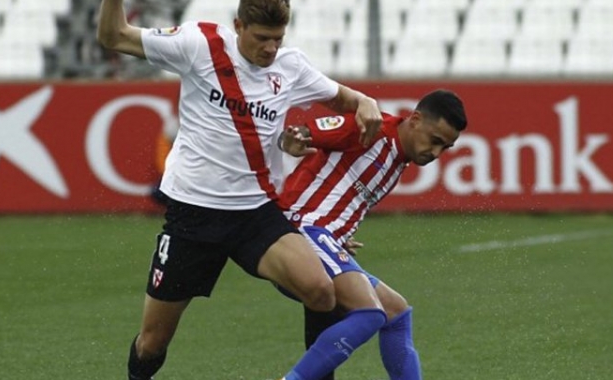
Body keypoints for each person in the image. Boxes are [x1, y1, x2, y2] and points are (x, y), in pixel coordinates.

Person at [95, 1, 384, 379]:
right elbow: (113, 36)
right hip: (193, 216)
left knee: (320, 291)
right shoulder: (199, 44)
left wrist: (365, 102)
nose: (270, 48)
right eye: (262, 38)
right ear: (238, 26)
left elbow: (342, 98)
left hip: (255, 214)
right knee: (152, 342)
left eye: (277, 39)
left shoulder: (290, 66)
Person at [276, 89, 468, 380]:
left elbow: (341, 194)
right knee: (370, 313)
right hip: (301, 229)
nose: (436, 153)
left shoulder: (398, 158)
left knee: (396, 313)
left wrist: (339, 233)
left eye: (446, 148)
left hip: (324, 236)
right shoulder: (371, 128)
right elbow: (304, 134)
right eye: (435, 141)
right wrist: (294, 139)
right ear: (415, 120)